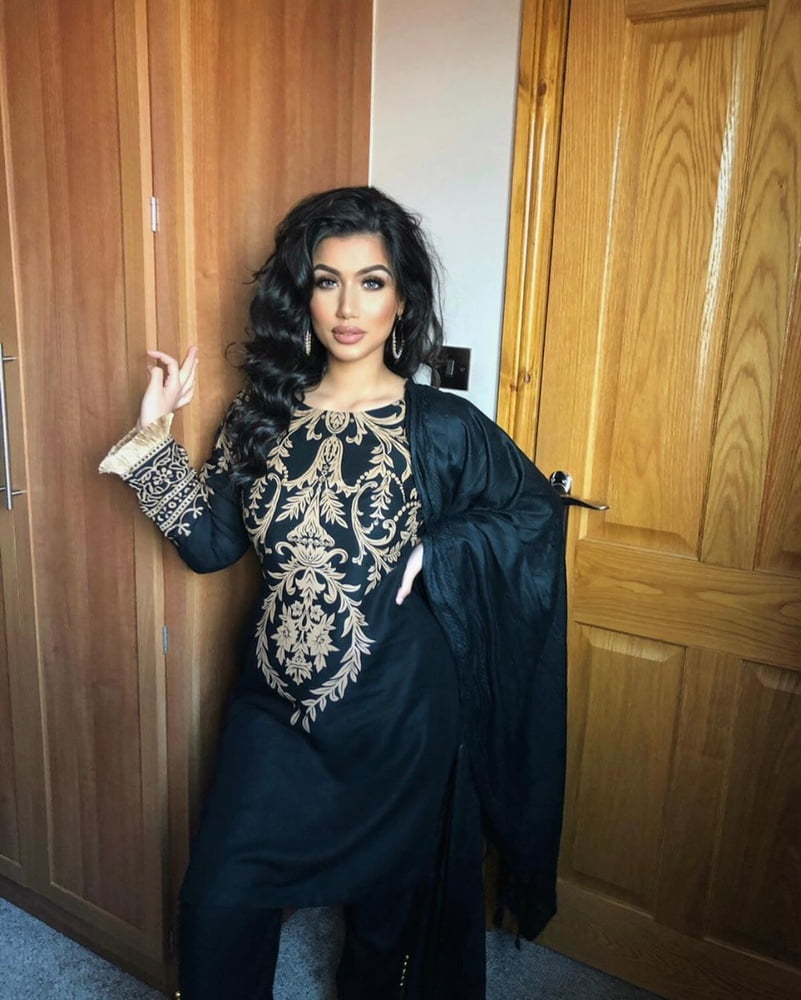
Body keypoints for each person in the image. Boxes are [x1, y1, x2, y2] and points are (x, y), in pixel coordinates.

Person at [100, 186, 567, 1000]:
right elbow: (211, 548)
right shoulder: (259, 415)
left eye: (371, 281)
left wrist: (444, 546)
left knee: (390, 923)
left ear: (402, 298)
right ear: (303, 295)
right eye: (327, 281)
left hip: (401, 715)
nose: (348, 307)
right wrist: (153, 440)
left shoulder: (442, 425)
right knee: (219, 899)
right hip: (274, 715)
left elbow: (533, 513)